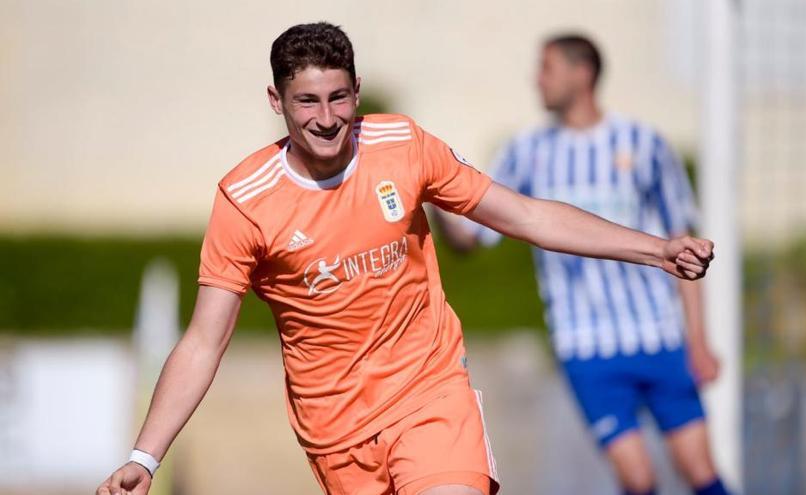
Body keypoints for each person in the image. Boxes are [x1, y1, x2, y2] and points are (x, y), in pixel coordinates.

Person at [96, 23, 714, 495]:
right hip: (335, 429)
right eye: (307, 101)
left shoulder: (403, 145)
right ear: (276, 101)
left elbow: (523, 215)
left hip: (430, 393)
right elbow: (204, 342)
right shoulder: (245, 200)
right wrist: (145, 457)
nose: (328, 118)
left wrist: (655, 249)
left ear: (357, 90)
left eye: (340, 97)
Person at [435, 34, 729, 495]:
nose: (537, 79)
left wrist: (698, 340)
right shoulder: (526, 150)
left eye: (547, 68)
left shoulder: (643, 144)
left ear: (582, 73)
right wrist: (435, 197)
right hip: (586, 346)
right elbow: (473, 237)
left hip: (658, 336)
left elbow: (683, 247)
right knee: (638, 477)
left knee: (699, 471)